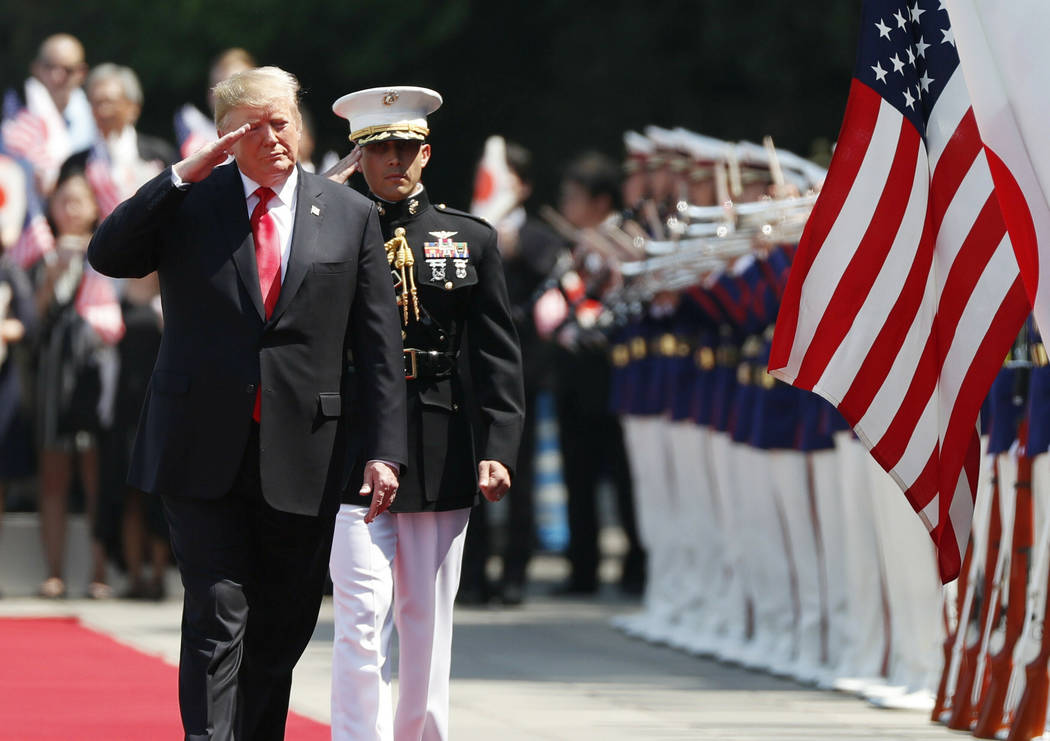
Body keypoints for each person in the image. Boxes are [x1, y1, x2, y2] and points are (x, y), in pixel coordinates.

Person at [87, 66, 407, 740]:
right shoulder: (191, 203)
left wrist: (384, 451)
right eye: (253, 125)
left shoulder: (347, 212)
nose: (273, 136)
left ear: (301, 123)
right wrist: (181, 174)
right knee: (216, 611)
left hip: (306, 451)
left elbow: (378, 346)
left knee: (281, 624)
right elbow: (109, 252)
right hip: (201, 444)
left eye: (282, 120)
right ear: (227, 134)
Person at [328, 86, 525, 740]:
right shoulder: (327, 232)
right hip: (353, 436)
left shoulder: (466, 239)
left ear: (426, 153)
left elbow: (496, 354)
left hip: (439, 435)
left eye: (405, 147)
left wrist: (498, 443)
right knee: (360, 612)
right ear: (357, 155)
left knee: (426, 620)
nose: (393, 160)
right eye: (378, 147)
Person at [459, 139, 562, 606]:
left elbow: (544, 269)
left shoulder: (537, 234)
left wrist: (503, 235)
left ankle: (515, 572)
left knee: (514, 478)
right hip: (471, 371)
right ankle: (475, 573)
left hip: (522, 373)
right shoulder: (466, 229)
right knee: (470, 476)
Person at [553, 152, 645, 596]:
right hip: (576, 372)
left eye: (575, 198)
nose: (567, 206)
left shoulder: (627, 241)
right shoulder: (573, 245)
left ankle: (636, 564)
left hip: (614, 370)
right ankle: (582, 567)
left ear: (600, 201)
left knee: (626, 474)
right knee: (578, 473)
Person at [34, 170, 117, 599]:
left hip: (94, 366)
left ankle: (99, 569)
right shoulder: (42, 255)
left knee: (95, 472)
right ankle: (53, 571)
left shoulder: (108, 251)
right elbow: (34, 320)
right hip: (55, 368)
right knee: (54, 473)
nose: (69, 209)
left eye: (77, 201)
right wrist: (51, 276)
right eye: (62, 201)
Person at [1, 33, 96, 196]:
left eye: (67, 69)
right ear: (35, 68)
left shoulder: (95, 117)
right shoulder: (14, 113)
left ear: (82, 73)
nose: (56, 76)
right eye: (49, 67)